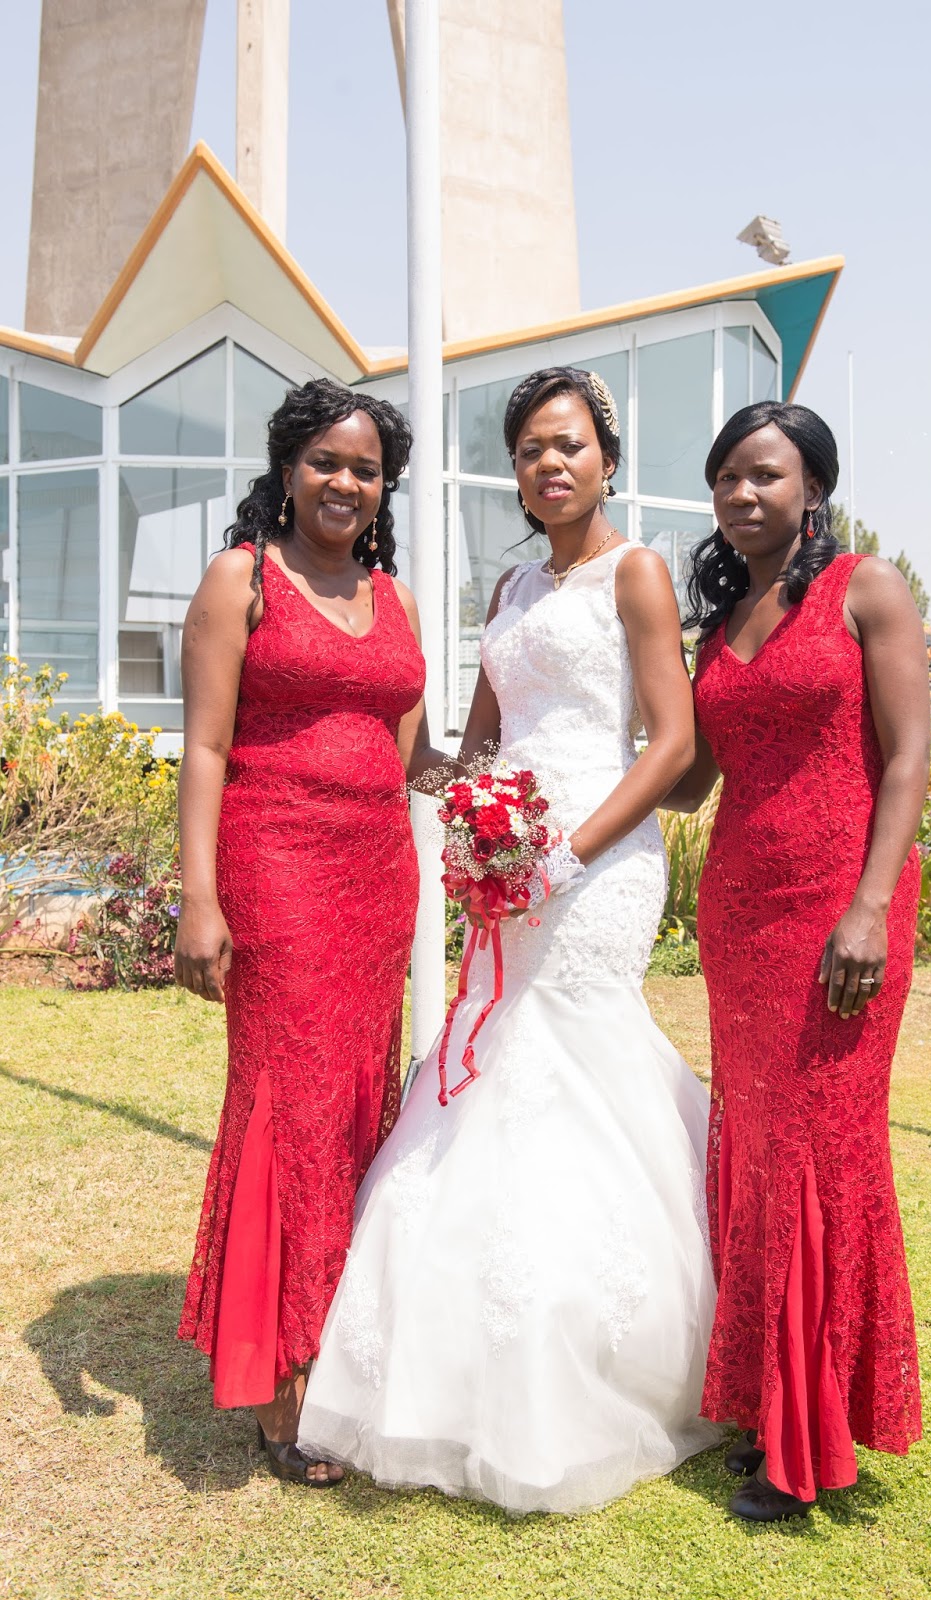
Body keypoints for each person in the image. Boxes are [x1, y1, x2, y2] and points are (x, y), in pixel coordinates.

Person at [298, 367, 722, 1513]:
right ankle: (459, 1357)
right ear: (518, 472)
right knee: (489, 1064)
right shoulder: (510, 585)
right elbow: (476, 749)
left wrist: (565, 853)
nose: (549, 463)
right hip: (505, 855)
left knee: (575, 1058)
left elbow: (673, 743)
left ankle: (622, 1347)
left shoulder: (637, 574)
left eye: (568, 444)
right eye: (531, 448)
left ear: (607, 460)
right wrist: (451, 801)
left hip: (599, 860)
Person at [667, 401, 930, 1522]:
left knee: (823, 1151)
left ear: (813, 486)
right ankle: (771, 1405)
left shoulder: (867, 591)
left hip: (843, 915)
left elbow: (910, 758)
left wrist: (869, 907)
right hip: (739, 915)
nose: (742, 493)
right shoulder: (720, 623)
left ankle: (809, 1442)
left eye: (764, 474)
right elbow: (690, 780)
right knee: (761, 1154)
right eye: (727, 476)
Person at [175, 378, 439, 1487]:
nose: (344, 482)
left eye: (366, 469)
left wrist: (512, 793)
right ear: (287, 469)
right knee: (291, 1103)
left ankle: (343, 1342)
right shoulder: (241, 579)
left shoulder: (395, 596)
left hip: (379, 877)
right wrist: (199, 897)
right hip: (276, 867)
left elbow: (411, 753)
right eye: (326, 461)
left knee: (355, 1108)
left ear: (385, 488)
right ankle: (282, 1379)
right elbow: (203, 747)